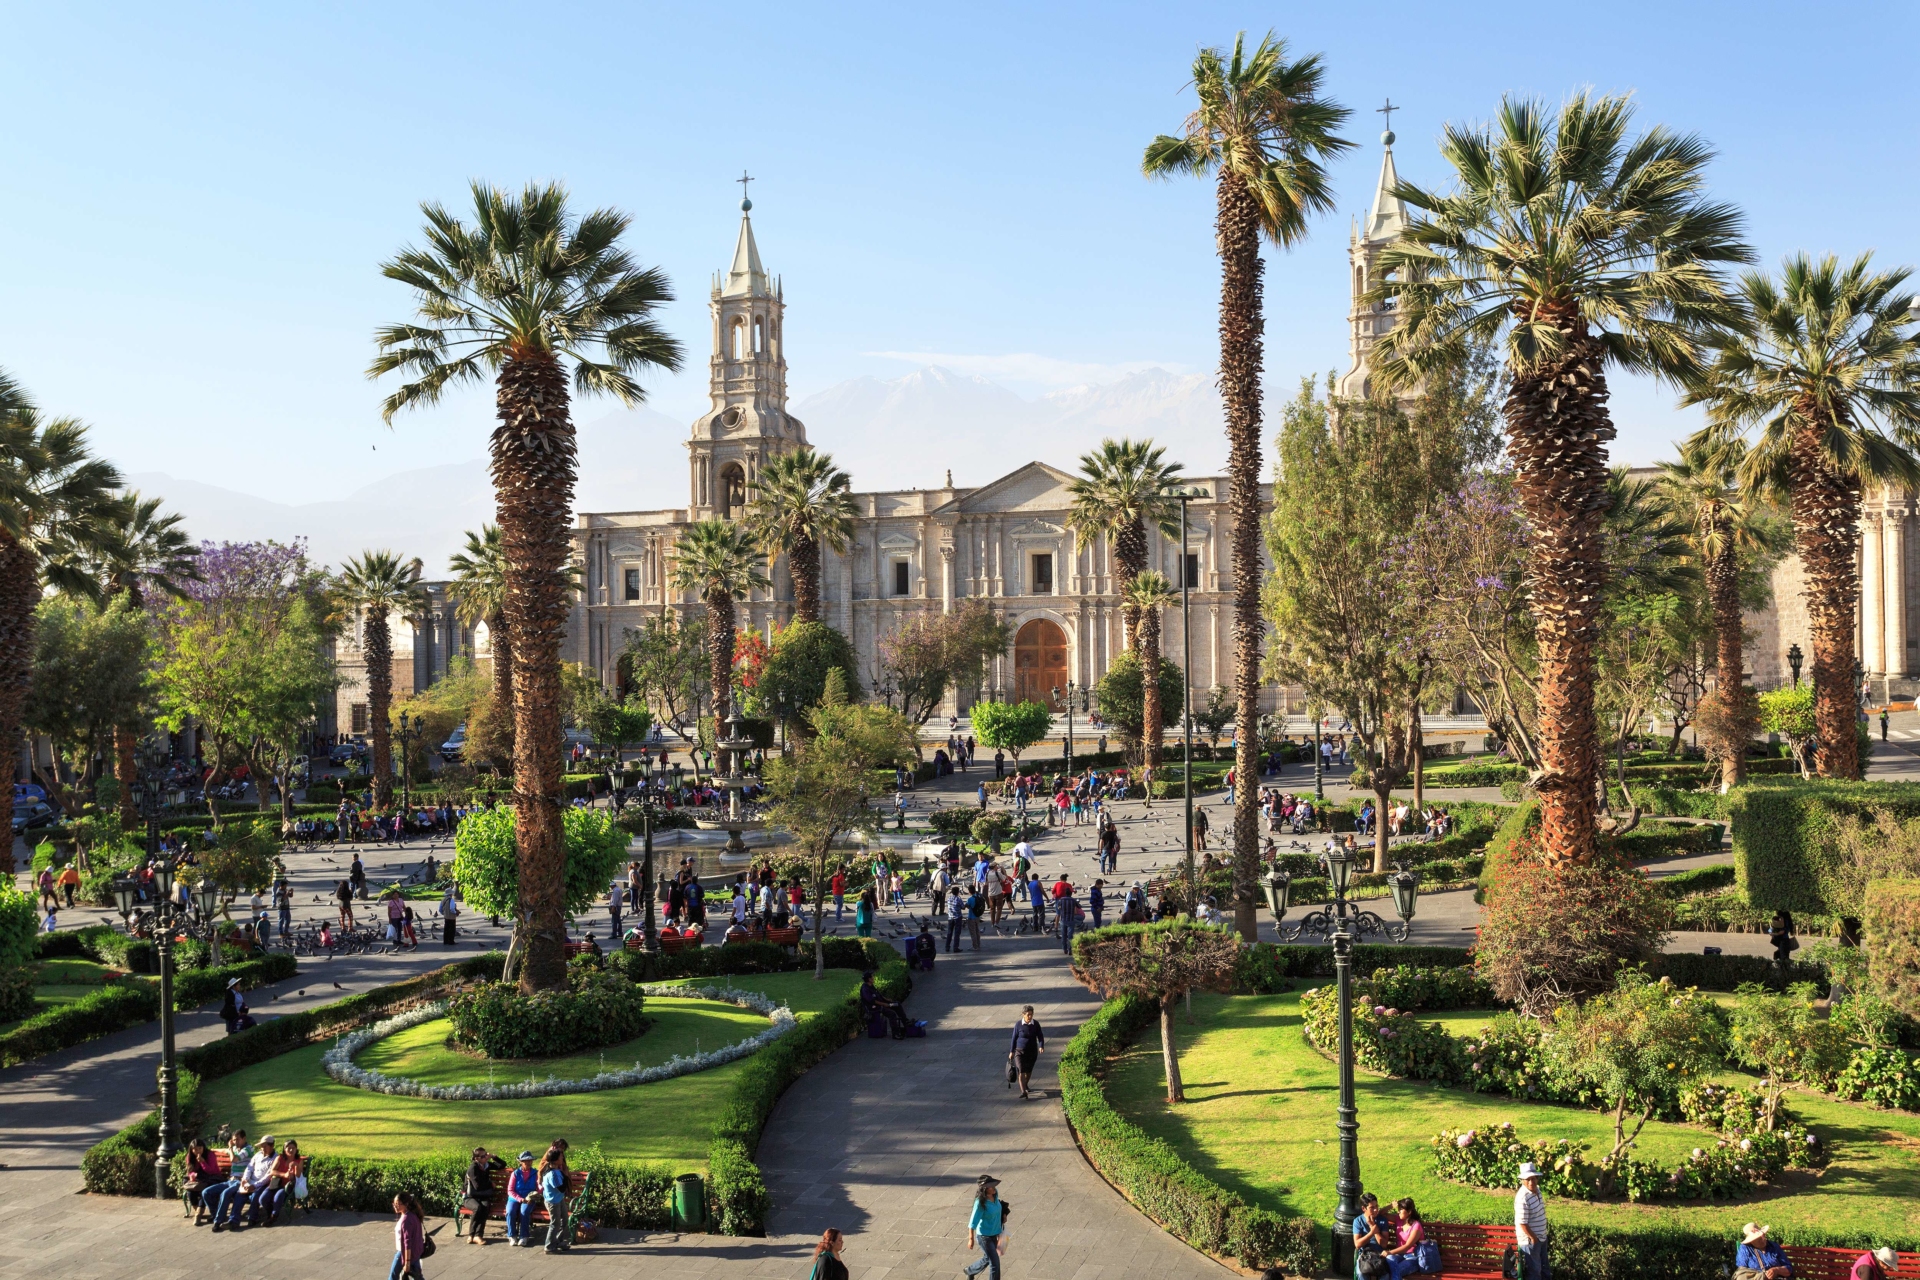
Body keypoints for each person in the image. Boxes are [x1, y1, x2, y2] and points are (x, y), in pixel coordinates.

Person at [211, 1135, 276, 1231]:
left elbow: (268, 1176)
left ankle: (252, 1219)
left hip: (261, 1184)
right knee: (239, 1195)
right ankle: (233, 1221)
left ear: (271, 1146)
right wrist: (245, 1179)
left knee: (255, 1196)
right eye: (261, 1146)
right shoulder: (258, 1155)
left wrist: (254, 1185)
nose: (262, 1148)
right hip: (249, 1182)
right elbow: (249, 1167)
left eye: (265, 1146)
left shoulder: (275, 1158)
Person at [964, 1175, 1008, 1279]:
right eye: (991, 1187)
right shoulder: (980, 1203)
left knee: (987, 1258)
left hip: (995, 1233)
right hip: (985, 1237)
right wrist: (971, 1239)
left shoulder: (995, 1194)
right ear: (984, 1189)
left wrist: (1004, 1214)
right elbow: (972, 1222)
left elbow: (998, 1206)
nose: (994, 1188)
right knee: (995, 1264)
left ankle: (970, 1270)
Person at [464, 1145, 507, 1245]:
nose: (485, 1157)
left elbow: (502, 1165)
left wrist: (493, 1157)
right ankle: (471, 1234)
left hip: (483, 1195)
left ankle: (478, 1236)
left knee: (485, 1206)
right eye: (483, 1156)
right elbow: (477, 1186)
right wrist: (490, 1184)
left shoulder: (486, 1165)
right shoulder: (473, 1168)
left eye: (485, 1155)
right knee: (478, 1208)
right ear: (476, 1158)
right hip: (470, 1197)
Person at [1382, 1197, 1435, 1278]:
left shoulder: (1416, 1226)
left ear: (1409, 1212)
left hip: (1413, 1257)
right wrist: (1390, 1206)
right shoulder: (1398, 1219)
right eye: (1398, 1209)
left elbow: (1407, 1246)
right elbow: (1381, 1213)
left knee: (1396, 1271)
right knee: (1388, 1263)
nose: (1398, 1211)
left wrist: (1389, 1252)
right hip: (1398, 1255)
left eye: (1401, 1209)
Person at [1515, 1162, 1549, 1280]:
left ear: (1537, 1178)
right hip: (1531, 1241)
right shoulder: (1522, 1197)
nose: (1531, 1182)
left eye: (1533, 1179)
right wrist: (1533, 1239)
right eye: (1527, 1179)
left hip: (1541, 1237)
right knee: (1535, 1272)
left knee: (1545, 1269)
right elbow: (1522, 1223)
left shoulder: (1537, 1190)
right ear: (1522, 1180)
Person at [539, 1142, 572, 1254]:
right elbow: (561, 1188)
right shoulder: (552, 1174)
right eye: (561, 1156)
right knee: (555, 1224)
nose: (563, 1157)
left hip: (559, 1199)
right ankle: (548, 1246)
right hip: (553, 1202)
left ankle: (557, 1241)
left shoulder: (556, 1171)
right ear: (555, 1160)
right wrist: (565, 1177)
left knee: (565, 1221)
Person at [183, 1137, 225, 1224]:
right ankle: (197, 1210)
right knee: (190, 1189)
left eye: (200, 1148)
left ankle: (199, 1213)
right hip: (199, 1178)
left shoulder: (210, 1155)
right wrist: (191, 1176)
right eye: (195, 1149)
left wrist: (202, 1162)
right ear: (191, 1150)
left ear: (203, 1148)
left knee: (205, 1189)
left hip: (212, 1177)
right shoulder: (189, 1157)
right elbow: (190, 1171)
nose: (198, 1151)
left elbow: (212, 1171)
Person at [1009, 1005, 1046, 1099]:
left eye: (1031, 1014)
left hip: (1032, 1051)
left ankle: (1025, 1085)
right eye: (1028, 1015)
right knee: (1021, 1070)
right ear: (1023, 1014)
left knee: (1028, 1071)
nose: (1030, 1016)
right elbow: (1014, 1038)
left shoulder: (1035, 1024)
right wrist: (1011, 1051)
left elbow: (1040, 1036)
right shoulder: (1018, 1025)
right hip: (1019, 1051)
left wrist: (1041, 1046)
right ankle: (1023, 1091)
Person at [1352, 1192, 1391, 1280]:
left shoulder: (1382, 1220)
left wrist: (1373, 1227)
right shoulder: (1358, 1221)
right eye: (1372, 1207)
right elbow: (1357, 1244)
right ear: (1363, 1208)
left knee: (1385, 1275)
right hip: (1364, 1255)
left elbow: (1384, 1244)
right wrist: (1371, 1233)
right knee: (1361, 1273)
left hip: (1380, 1255)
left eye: (1376, 1206)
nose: (1376, 1210)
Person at [504, 1150, 539, 1247]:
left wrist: (537, 1193)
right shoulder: (515, 1174)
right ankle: (512, 1235)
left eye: (530, 1161)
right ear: (521, 1162)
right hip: (514, 1198)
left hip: (529, 1199)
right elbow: (510, 1190)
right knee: (510, 1212)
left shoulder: (535, 1173)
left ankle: (524, 1236)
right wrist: (520, 1199)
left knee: (524, 1212)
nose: (528, 1163)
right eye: (525, 1161)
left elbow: (540, 1186)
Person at [391, 1192, 426, 1279]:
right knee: (418, 1277)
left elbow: (407, 1242)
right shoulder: (413, 1215)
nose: (395, 1206)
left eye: (398, 1204)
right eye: (394, 1203)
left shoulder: (406, 1220)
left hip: (403, 1253)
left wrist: (407, 1262)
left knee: (393, 1276)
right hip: (416, 1253)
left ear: (406, 1204)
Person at [945, 885, 966, 953]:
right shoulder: (958, 899)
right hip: (957, 918)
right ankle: (955, 947)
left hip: (950, 917)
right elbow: (963, 907)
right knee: (957, 933)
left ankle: (947, 946)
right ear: (957, 892)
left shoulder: (949, 898)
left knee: (949, 933)